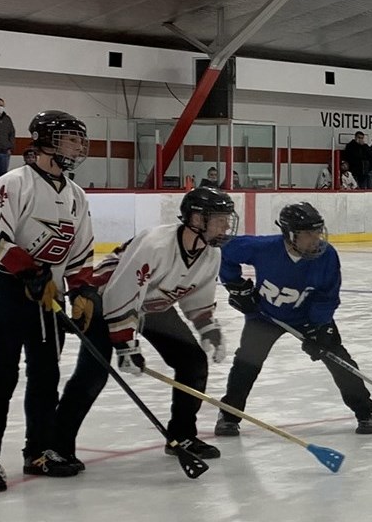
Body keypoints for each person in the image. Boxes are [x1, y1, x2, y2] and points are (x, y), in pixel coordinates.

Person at [52, 187, 237, 466]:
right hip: (106, 302)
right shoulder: (156, 244)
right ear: (197, 219)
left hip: (152, 306)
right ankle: (58, 445)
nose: (226, 225)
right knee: (92, 376)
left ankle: (183, 436)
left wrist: (208, 328)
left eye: (226, 218)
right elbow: (120, 294)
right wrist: (126, 343)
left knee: (193, 362)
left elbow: (197, 297)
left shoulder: (211, 255)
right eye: (219, 218)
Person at [0, 111, 96, 491]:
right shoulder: (14, 183)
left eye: (79, 139)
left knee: (46, 376)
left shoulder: (76, 195)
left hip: (49, 300)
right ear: (45, 141)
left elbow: (81, 252)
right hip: (11, 292)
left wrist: (83, 291)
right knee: (1, 375)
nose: (78, 145)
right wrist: (31, 272)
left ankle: (38, 451)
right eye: (70, 138)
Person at [215, 203, 372, 436]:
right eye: (308, 234)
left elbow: (327, 295)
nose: (316, 239)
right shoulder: (263, 248)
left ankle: (366, 411)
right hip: (265, 316)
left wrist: (320, 328)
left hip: (307, 318)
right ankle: (229, 415)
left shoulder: (327, 255)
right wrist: (236, 286)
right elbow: (224, 252)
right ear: (290, 235)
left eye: (318, 232)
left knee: (338, 360)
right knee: (246, 364)